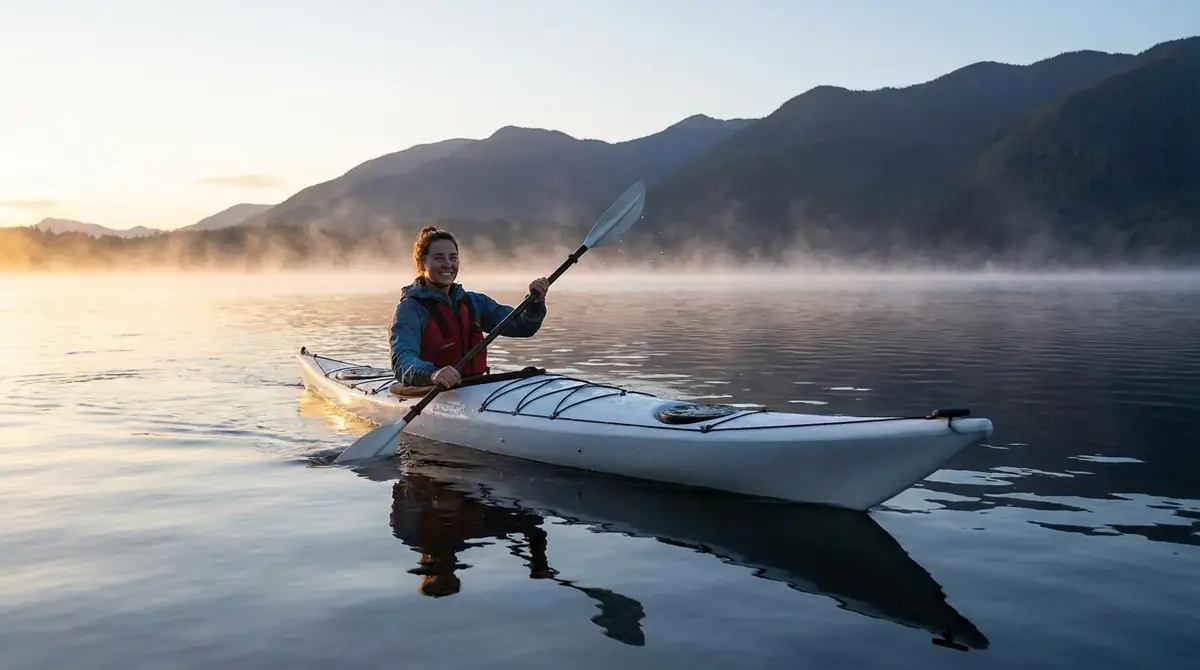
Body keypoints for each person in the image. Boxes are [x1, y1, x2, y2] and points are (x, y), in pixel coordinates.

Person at [389, 225, 549, 389]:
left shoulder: (474, 302)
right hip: (432, 390)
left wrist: (535, 303)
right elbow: (402, 359)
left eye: (453, 257)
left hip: (475, 388)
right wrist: (432, 374)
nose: (447, 264)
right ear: (422, 264)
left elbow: (523, 327)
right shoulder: (410, 309)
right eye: (438, 258)